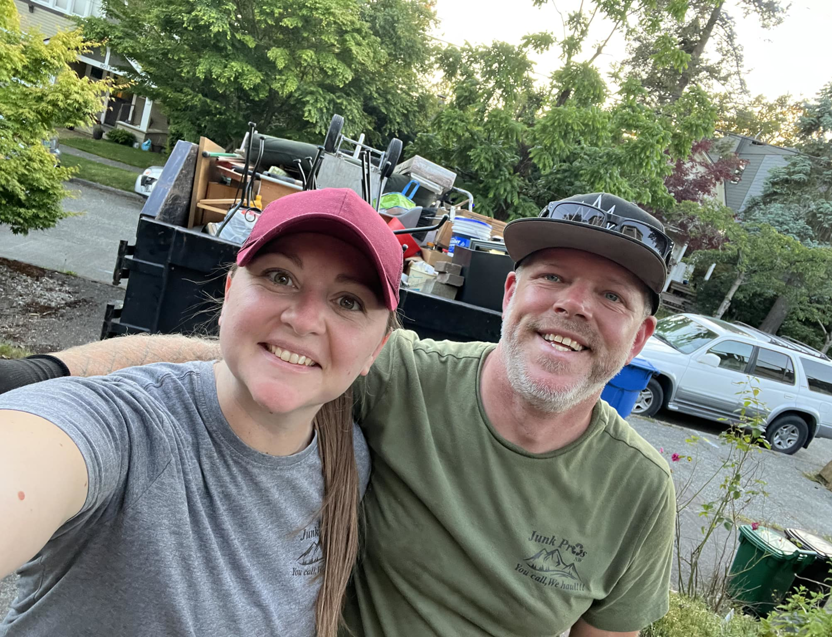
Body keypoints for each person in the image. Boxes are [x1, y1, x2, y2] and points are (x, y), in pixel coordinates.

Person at [1, 192, 676, 636]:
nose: (574, 306)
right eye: (553, 277)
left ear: (641, 338)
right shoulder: (407, 378)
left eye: (612, 295)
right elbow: (245, 355)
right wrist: (42, 376)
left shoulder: (639, 492)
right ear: (510, 294)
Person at [0, 188, 403, 636]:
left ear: (377, 349)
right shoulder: (133, 428)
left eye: (349, 301)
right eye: (280, 276)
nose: (304, 320)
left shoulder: (348, 459)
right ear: (230, 291)